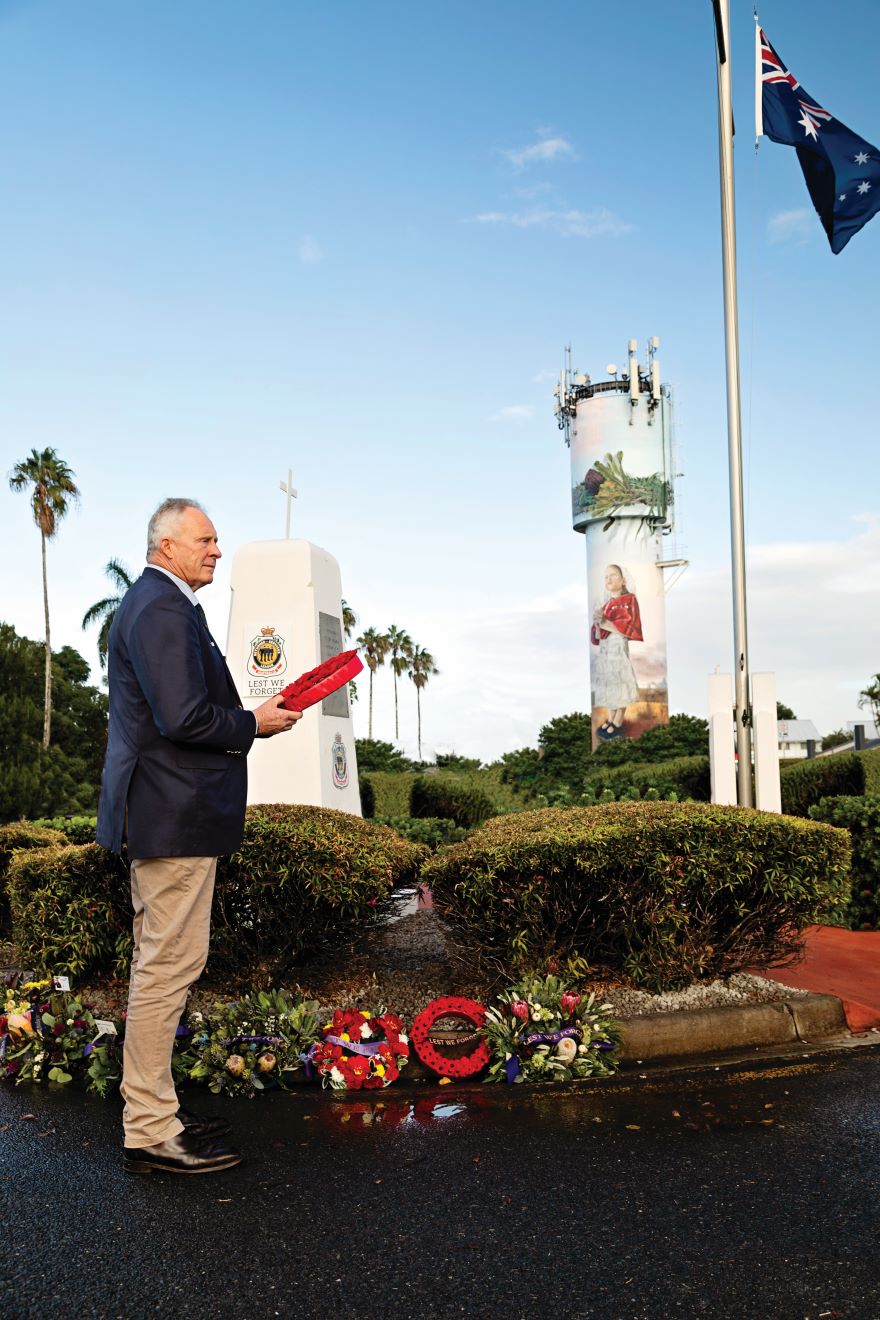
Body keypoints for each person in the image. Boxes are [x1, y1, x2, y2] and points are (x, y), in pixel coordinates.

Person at [96, 498, 302, 1175]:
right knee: (164, 970)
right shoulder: (159, 607)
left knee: (169, 964)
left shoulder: (167, 604)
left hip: (172, 813)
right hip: (171, 815)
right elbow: (183, 717)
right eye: (206, 539)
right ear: (168, 544)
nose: (217, 549)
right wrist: (254, 724)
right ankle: (150, 1129)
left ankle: (156, 1111)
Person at [590, 563, 643, 740]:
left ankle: (618, 721)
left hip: (617, 647)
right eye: (606, 576)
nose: (608, 579)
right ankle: (611, 718)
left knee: (620, 679)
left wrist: (603, 623)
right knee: (610, 681)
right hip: (606, 650)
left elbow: (626, 626)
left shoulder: (629, 600)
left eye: (613, 575)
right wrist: (598, 623)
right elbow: (598, 632)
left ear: (623, 580)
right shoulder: (606, 604)